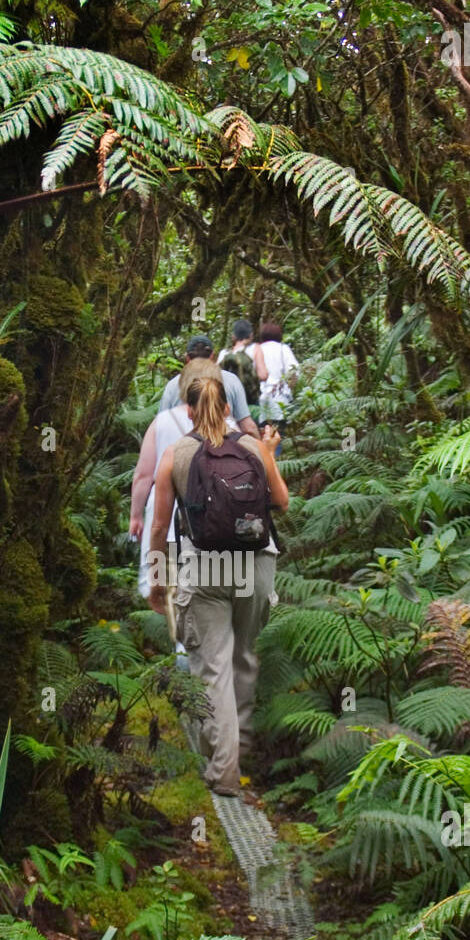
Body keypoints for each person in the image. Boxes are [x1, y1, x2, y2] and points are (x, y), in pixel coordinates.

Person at [148, 372, 289, 796]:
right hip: (256, 567)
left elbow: (159, 529)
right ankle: (241, 755)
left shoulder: (175, 455)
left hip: (206, 568)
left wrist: (159, 582)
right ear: (228, 407)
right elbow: (281, 502)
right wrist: (271, 454)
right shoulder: (254, 449)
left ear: (188, 410)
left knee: (213, 670)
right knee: (244, 658)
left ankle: (224, 772)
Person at [130, 359, 236, 602]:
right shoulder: (230, 425)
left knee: (173, 599)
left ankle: (181, 637)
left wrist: (136, 516)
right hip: (216, 526)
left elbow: (143, 476)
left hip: (166, 524)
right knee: (207, 599)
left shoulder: (163, 422)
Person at [157, 334, 260, 437]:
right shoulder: (231, 380)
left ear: (187, 358)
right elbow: (247, 426)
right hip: (223, 444)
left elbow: (161, 425)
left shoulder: (173, 384)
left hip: (184, 444)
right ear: (212, 356)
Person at [252, 321, 299, 446]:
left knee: (262, 435)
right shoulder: (283, 349)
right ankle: (276, 461)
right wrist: (290, 387)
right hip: (280, 397)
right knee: (277, 435)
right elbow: (293, 371)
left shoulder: (257, 350)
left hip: (260, 398)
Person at [218, 318, 266, 407]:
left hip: (228, 401)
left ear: (233, 336)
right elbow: (263, 375)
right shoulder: (255, 348)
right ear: (251, 335)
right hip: (249, 400)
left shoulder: (224, 353)